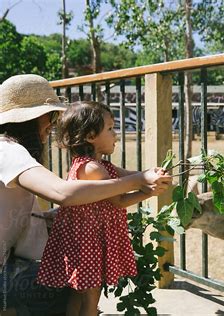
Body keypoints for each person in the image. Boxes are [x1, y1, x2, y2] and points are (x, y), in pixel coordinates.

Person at [0, 74, 172, 316]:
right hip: (4, 274)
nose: (52, 124)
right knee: (64, 292)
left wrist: (56, 217)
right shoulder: (9, 151)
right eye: (50, 117)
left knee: (74, 291)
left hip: (8, 263)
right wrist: (138, 180)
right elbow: (62, 193)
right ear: (34, 118)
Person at [37, 100, 169, 315]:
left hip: (85, 240)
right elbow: (119, 201)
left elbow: (128, 175)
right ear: (90, 136)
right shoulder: (92, 169)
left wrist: (149, 173)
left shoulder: (96, 164)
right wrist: (147, 192)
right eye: (109, 128)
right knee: (91, 297)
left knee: (79, 294)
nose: (115, 134)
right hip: (89, 242)